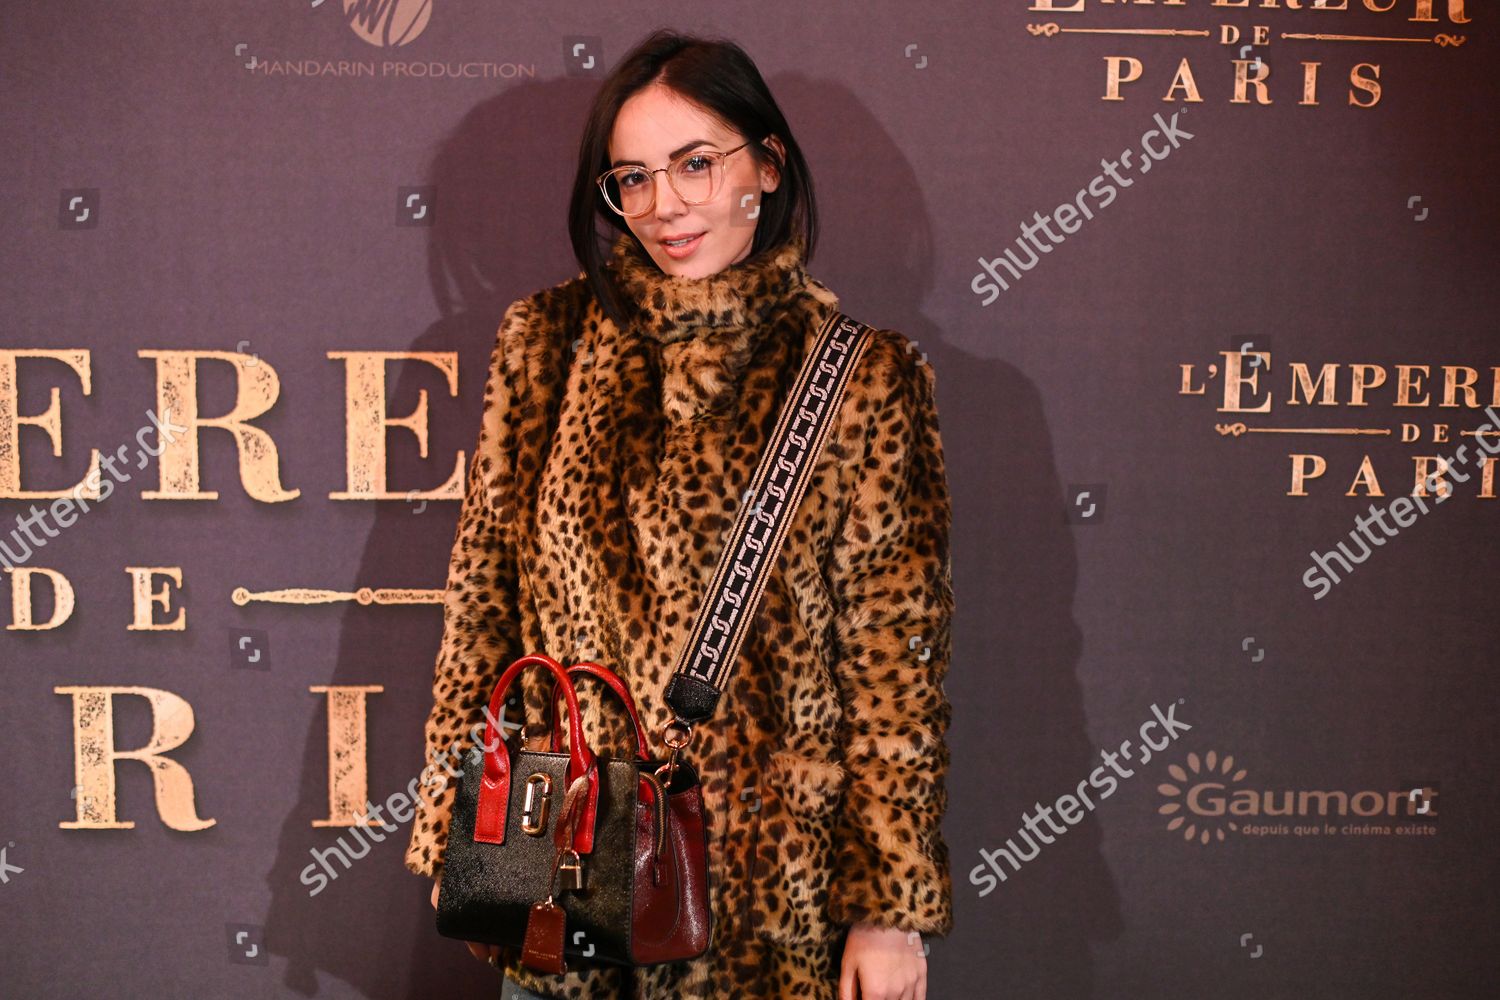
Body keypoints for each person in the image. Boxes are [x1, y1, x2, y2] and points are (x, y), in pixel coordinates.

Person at [406, 28, 956, 1000]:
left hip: (769, 909)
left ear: (768, 165)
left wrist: (890, 912)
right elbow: (481, 614)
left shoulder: (861, 377)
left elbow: (894, 675)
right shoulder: (545, 344)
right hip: (560, 882)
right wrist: (465, 827)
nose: (665, 207)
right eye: (633, 178)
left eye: (695, 164)